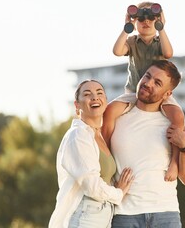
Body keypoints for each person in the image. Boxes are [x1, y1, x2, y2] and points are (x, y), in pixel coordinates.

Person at [102, 60, 185, 227]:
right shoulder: (118, 117)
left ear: (167, 94)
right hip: (124, 214)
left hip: (165, 214)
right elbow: (102, 158)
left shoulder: (175, 124)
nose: (148, 83)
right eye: (147, 76)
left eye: (157, 82)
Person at [110, 1, 185, 181]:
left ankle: (175, 162)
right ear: (135, 21)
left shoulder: (160, 41)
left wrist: (162, 28)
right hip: (133, 91)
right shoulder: (132, 41)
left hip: (158, 94)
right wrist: (127, 27)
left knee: (178, 117)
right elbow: (117, 51)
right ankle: (108, 156)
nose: (146, 22)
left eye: (151, 18)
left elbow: (168, 53)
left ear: (158, 20)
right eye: (141, 18)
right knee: (109, 112)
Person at [48, 80, 134, 228]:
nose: (94, 97)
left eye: (99, 93)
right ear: (77, 106)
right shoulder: (78, 135)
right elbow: (91, 185)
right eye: (87, 94)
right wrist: (118, 193)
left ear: (105, 101)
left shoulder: (99, 136)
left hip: (102, 214)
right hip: (85, 214)